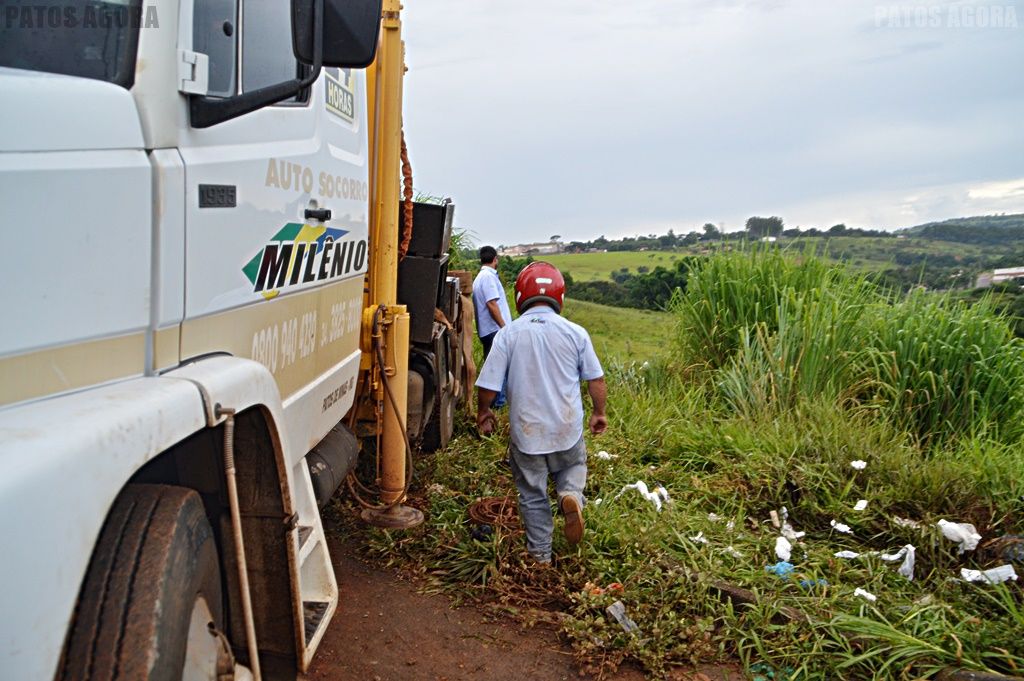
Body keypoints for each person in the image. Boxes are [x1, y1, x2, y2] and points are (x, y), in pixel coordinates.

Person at [476, 262, 607, 565]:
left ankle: (540, 558)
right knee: (574, 465)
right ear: (559, 295)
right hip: (567, 430)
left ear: (520, 294)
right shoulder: (576, 333)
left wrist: (483, 411)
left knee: (533, 495)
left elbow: (488, 384)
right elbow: (595, 380)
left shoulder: (508, 334)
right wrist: (599, 413)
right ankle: (569, 494)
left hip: (527, 436)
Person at [472, 246, 512, 408]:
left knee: (494, 368)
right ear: (495, 259)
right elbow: (492, 303)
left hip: (489, 330)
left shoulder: (480, 277)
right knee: (500, 368)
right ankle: (498, 404)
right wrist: (504, 327)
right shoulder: (488, 278)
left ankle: (494, 403)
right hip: (494, 330)